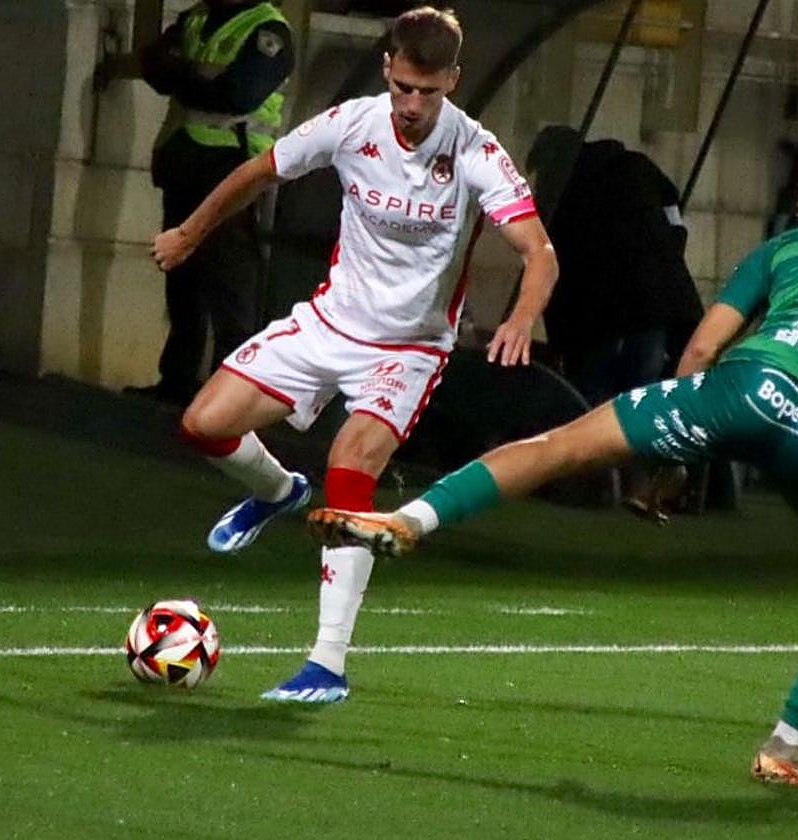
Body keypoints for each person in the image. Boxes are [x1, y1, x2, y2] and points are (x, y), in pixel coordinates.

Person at [308, 150, 798, 787]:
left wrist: (678, 450)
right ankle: (787, 748)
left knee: (559, 444)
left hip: (745, 388)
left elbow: (703, 348)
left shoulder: (789, 245)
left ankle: (412, 518)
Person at [152, 7, 557, 703]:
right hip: (330, 322)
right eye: (402, 86)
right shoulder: (352, 123)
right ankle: (277, 491)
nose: (412, 104)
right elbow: (259, 171)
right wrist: (190, 232)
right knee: (203, 424)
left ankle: (327, 664)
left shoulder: (475, 151)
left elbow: (539, 252)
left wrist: (521, 318)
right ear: (387, 69)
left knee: (350, 468)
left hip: (408, 349)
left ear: (453, 81)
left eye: (427, 91)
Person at [526, 126, 702, 518]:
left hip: (602, 312)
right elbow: (675, 219)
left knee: (593, 394)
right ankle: (645, 484)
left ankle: (592, 483)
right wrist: (669, 256)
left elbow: (556, 259)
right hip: (653, 306)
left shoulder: (566, 189)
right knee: (641, 394)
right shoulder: (638, 167)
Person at [131, 0, 295, 408]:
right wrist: (196, 77)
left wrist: (182, 72)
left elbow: (239, 94)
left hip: (232, 169)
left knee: (229, 284)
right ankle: (177, 380)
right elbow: (154, 68)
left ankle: (229, 394)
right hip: (184, 162)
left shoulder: (269, 31)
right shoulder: (196, 17)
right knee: (181, 278)